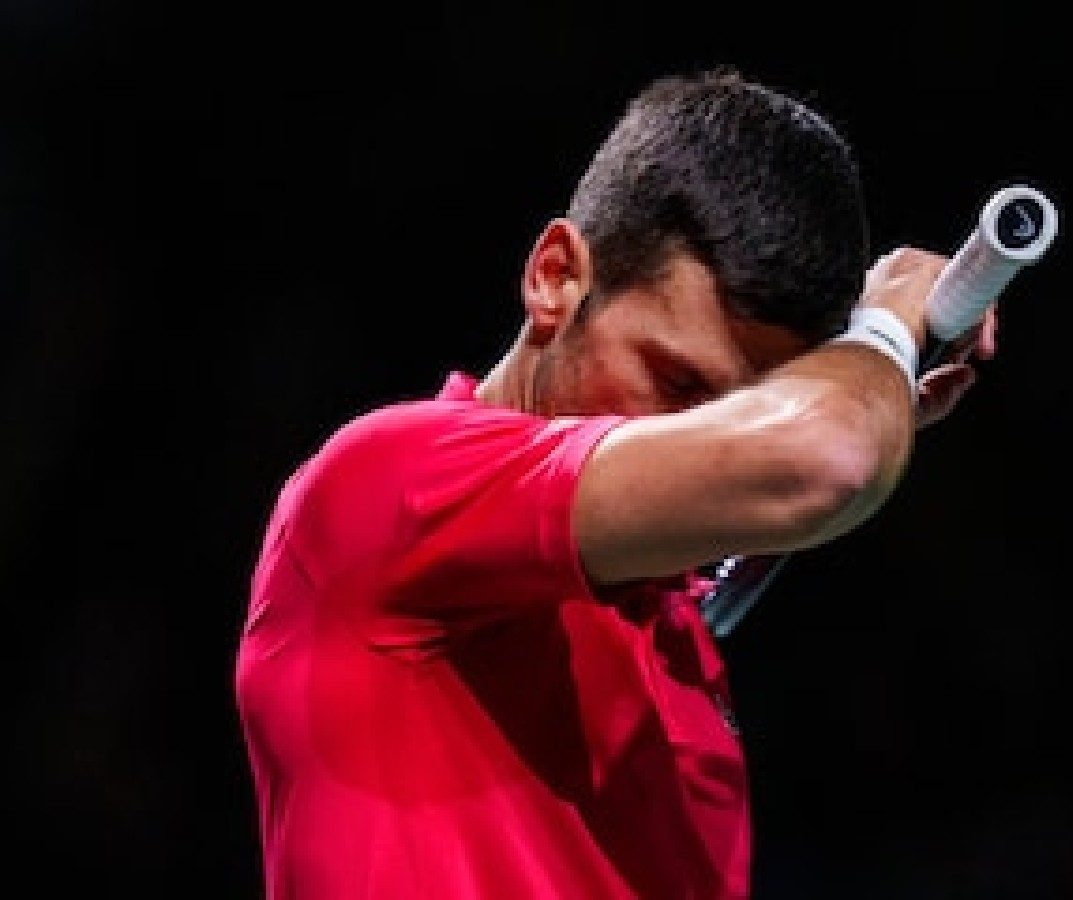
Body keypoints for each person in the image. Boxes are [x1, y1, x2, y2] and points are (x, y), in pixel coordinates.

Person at [233, 65, 997, 899]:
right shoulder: (389, 482)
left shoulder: (670, 627)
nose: (699, 441)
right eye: (677, 387)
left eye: (739, 413)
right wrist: (883, 337)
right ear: (556, 276)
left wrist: (864, 397)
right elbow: (828, 463)